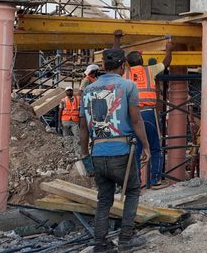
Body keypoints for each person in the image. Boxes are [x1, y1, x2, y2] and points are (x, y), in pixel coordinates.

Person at [78, 49, 150, 253]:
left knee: (104, 199)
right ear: (122, 66)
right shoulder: (128, 86)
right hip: (122, 152)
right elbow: (136, 120)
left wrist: (85, 157)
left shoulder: (88, 90)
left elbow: (83, 128)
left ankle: (100, 244)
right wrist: (146, 146)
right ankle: (126, 240)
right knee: (133, 191)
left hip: (98, 153)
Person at [115, 31, 173, 189]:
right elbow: (167, 62)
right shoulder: (150, 70)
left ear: (127, 63)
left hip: (132, 115)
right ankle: (155, 181)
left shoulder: (124, 74)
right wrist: (168, 48)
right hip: (148, 113)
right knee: (155, 147)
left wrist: (117, 40)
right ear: (142, 60)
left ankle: (136, 184)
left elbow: (115, 58)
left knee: (135, 149)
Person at [60, 87, 81, 155]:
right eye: (67, 91)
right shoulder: (63, 100)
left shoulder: (77, 99)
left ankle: (78, 151)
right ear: (65, 92)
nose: (69, 92)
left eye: (70, 90)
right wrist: (60, 122)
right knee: (66, 137)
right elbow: (60, 111)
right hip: (65, 121)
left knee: (77, 136)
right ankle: (67, 151)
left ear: (72, 91)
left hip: (75, 121)